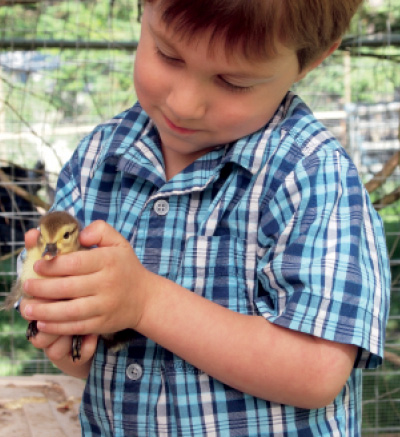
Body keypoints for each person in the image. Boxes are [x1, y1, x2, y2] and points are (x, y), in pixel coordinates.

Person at [19, 0, 391, 435]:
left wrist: (147, 302)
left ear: (310, 60)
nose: (185, 104)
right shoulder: (98, 161)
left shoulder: (311, 176)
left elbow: (319, 373)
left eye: (234, 81)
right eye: (168, 54)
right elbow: (101, 371)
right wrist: (67, 335)